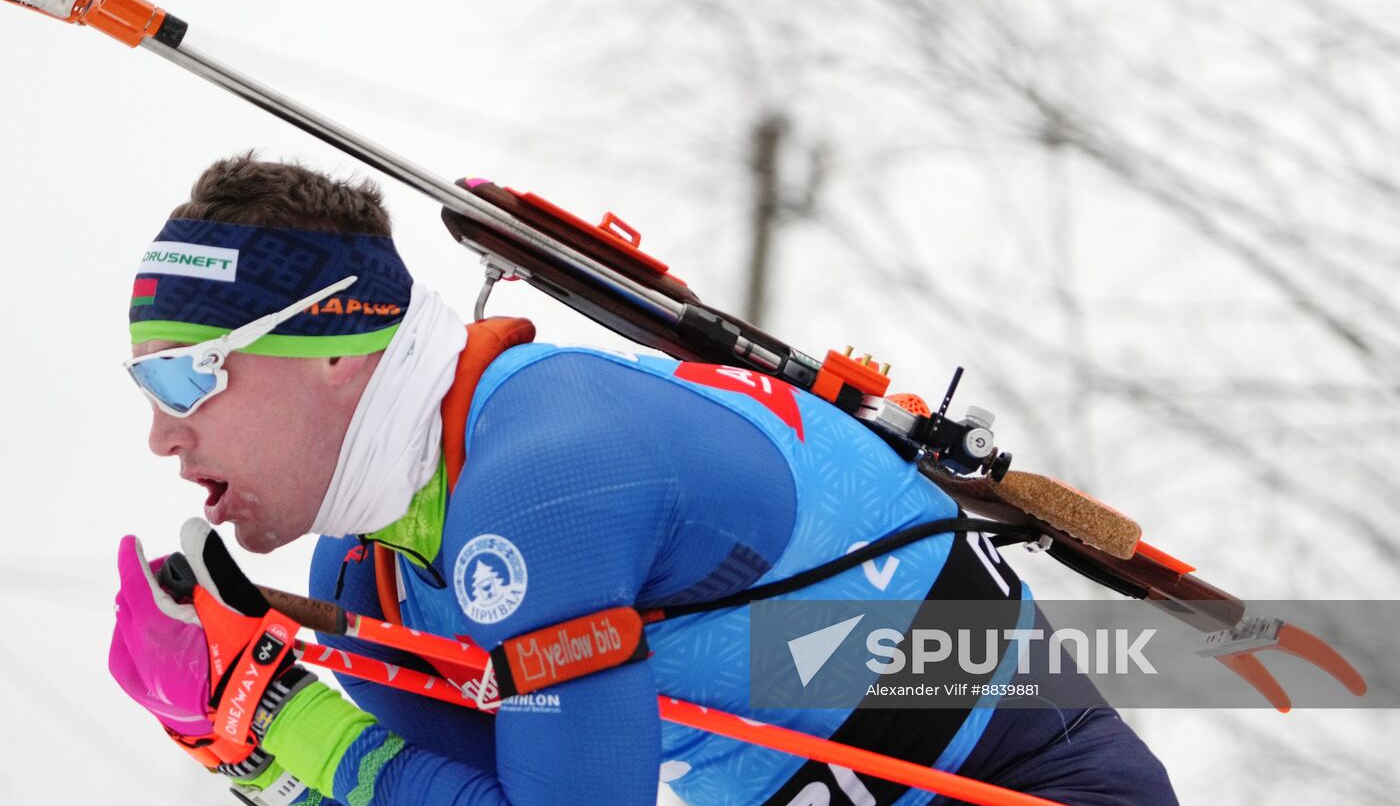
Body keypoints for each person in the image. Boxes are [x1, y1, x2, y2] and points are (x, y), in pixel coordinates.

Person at [108, 155, 1179, 806]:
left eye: (188, 376)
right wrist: (237, 737)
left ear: (334, 348)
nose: (163, 434)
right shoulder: (366, 580)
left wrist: (279, 711)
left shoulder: (546, 471)